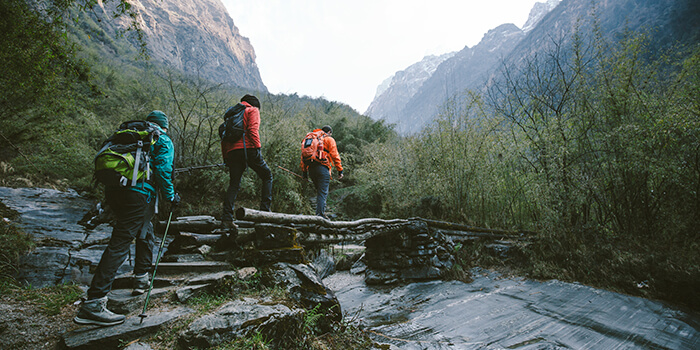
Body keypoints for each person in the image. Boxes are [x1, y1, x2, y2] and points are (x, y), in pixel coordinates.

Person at [74, 110, 179, 326]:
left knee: (144, 230)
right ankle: (94, 303)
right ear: (163, 126)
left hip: (115, 191)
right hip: (138, 194)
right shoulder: (162, 139)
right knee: (121, 242)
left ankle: (141, 278)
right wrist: (170, 196)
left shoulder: (130, 135)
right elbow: (162, 169)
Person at [221, 94, 273, 227]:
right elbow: (252, 130)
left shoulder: (231, 114)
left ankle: (227, 219)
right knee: (267, 176)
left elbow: (224, 138)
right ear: (255, 104)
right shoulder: (252, 110)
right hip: (249, 148)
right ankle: (265, 213)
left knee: (234, 184)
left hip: (232, 152)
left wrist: (226, 157)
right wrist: (257, 148)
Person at [301, 125, 343, 218]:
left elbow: (303, 157)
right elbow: (335, 155)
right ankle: (320, 216)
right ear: (329, 132)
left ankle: (320, 213)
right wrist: (340, 170)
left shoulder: (310, 139)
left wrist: (304, 173)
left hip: (311, 169)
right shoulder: (328, 139)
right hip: (323, 168)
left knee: (320, 192)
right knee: (322, 193)